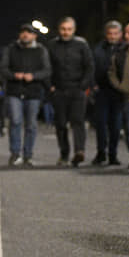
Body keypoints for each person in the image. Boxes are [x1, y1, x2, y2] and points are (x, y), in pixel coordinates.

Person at [0, 24, 51, 167]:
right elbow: (3, 68)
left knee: (31, 124)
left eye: (29, 33)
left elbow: (47, 70)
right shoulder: (11, 49)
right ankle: (15, 154)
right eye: (23, 32)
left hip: (33, 92)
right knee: (15, 121)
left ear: (34, 36)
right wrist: (14, 75)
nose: (25, 35)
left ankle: (28, 155)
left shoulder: (41, 50)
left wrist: (34, 76)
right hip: (14, 91)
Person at [47, 17, 94, 167]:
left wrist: (83, 86)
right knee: (60, 124)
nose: (66, 32)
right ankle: (64, 154)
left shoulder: (82, 45)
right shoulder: (52, 45)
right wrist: (50, 86)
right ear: (59, 29)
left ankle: (79, 151)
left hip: (77, 89)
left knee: (78, 121)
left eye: (69, 29)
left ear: (74, 30)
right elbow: (47, 67)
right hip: (59, 90)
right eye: (63, 29)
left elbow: (89, 66)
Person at [91, 20, 124, 165]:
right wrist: (93, 85)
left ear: (120, 34)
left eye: (116, 33)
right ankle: (101, 153)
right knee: (101, 124)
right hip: (102, 91)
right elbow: (91, 68)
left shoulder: (125, 49)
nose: (113, 36)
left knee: (115, 125)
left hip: (119, 92)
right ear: (106, 34)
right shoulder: (98, 49)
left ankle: (113, 154)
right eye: (110, 33)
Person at [109, 22, 129, 168]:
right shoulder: (121, 52)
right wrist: (119, 85)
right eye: (126, 32)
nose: (126, 36)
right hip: (128, 98)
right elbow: (112, 72)